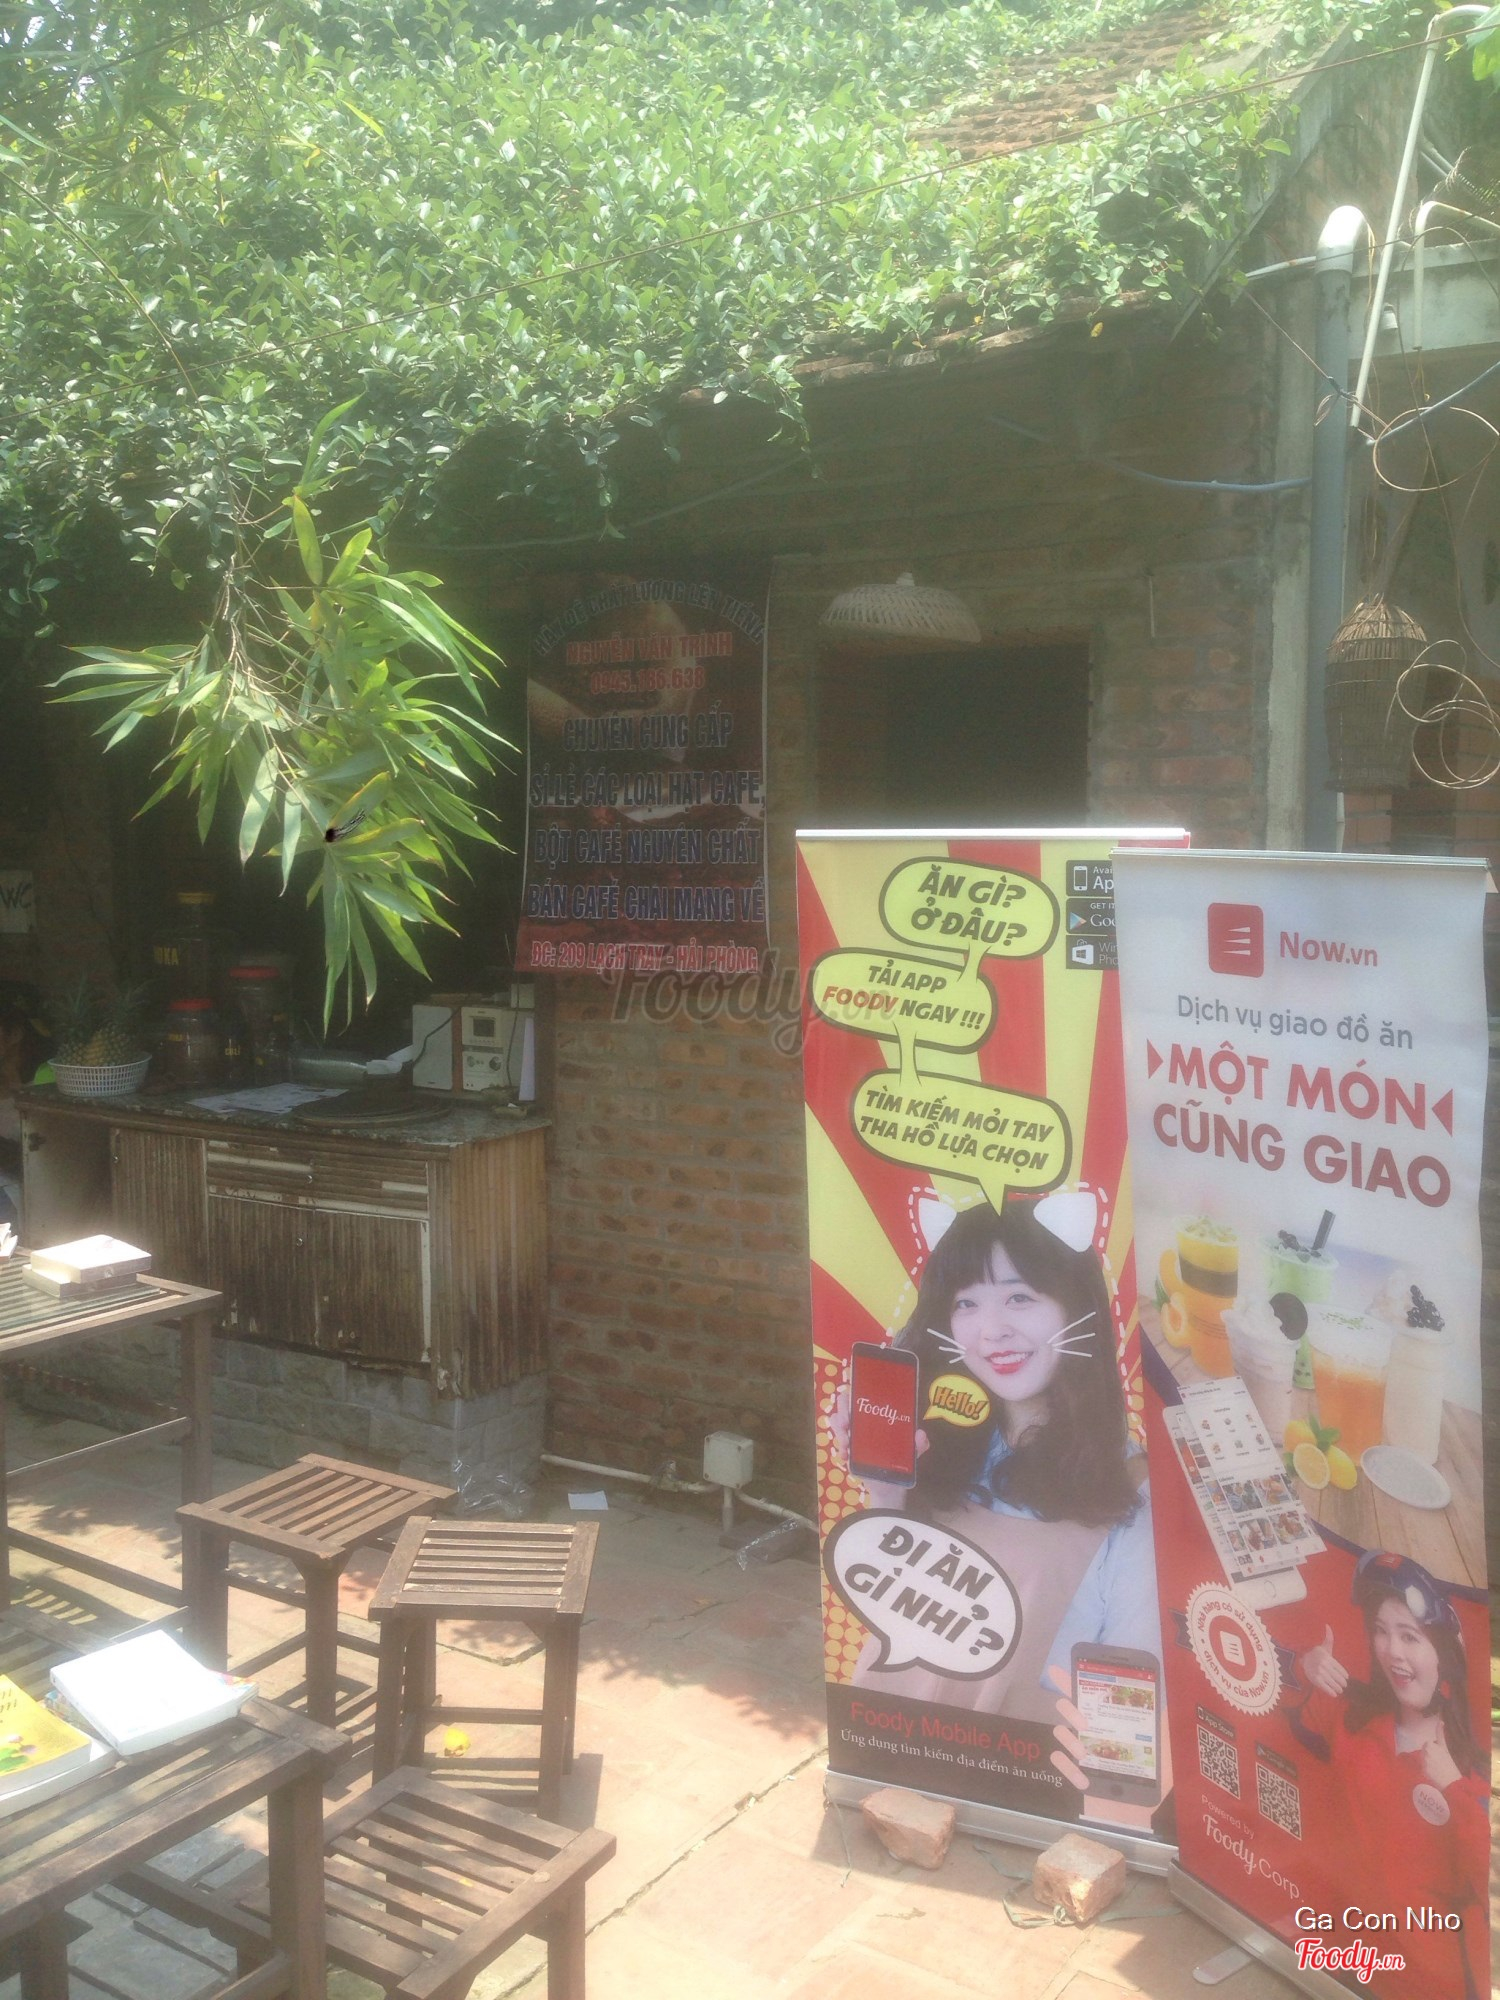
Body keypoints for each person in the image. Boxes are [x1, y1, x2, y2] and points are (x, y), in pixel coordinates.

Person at [838, 1199, 1160, 1725]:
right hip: (887, 1737)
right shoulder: (938, 1442)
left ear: (1076, 1308)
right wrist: (886, 1495)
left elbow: (1133, 1694)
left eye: (1019, 1297)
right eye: (965, 1303)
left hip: (1019, 1763)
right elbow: (892, 1615)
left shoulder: (1130, 1485)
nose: (991, 1330)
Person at [1288, 1552, 1488, 1998]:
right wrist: (1305, 1665)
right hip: (1346, 1965)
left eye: (1410, 1636)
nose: (1392, 1650)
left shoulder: (1472, 1775)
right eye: (1381, 1631)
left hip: (1431, 1985)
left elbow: (1485, 1885)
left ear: (1444, 1654)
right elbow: (1277, 1720)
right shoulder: (1353, 1719)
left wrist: (1454, 1790)